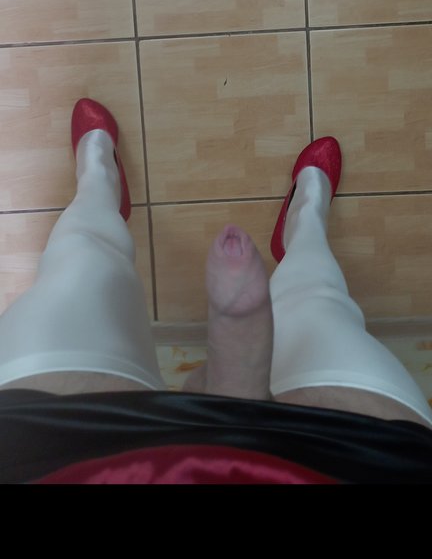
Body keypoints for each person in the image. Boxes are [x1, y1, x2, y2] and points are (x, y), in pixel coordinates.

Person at [0, 98, 431, 484]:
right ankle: (305, 225)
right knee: (317, 302)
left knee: (82, 266)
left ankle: (97, 182)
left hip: (48, 446)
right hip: (354, 455)